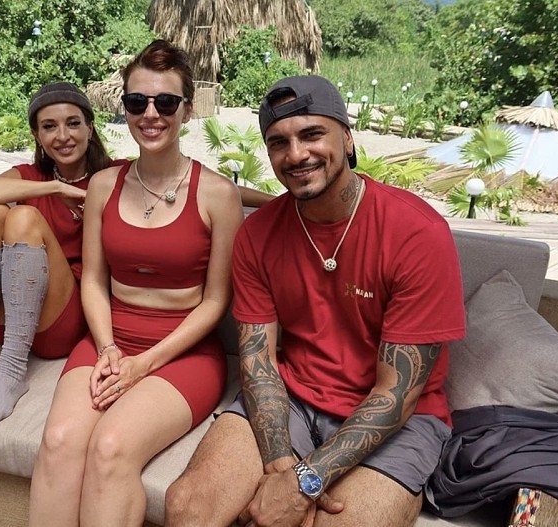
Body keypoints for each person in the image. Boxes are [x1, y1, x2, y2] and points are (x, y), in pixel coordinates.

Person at [165, 75, 467, 527]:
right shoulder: (257, 234)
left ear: (346, 138)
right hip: (294, 397)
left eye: (311, 134)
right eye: (278, 142)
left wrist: (306, 481)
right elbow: (259, 363)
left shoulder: (417, 233)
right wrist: (280, 467)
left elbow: (396, 396)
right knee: (188, 505)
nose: (296, 154)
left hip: (399, 419)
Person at [28, 40, 243, 526]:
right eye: (136, 101)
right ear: (123, 106)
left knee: (110, 447)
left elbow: (216, 302)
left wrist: (143, 364)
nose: (151, 114)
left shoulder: (218, 194)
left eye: (165, 102)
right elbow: (93, 281)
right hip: (108, 339)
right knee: (59, 441)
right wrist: (107, 348)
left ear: (187, 109)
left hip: (184, 352)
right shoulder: (103, 185)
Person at [0, 82, 114, 428]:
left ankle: (13, 372)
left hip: (65, 317)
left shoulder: (114, 174)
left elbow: (178, 188)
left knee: (23, 217)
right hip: (11, 320)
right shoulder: (31, 177)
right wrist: (55, 188)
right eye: (49, 126)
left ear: (90, 128)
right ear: (37, 135)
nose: (63, 136)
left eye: (73, 123)